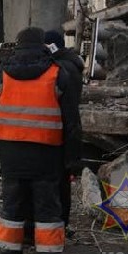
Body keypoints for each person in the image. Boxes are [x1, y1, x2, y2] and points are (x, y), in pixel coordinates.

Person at [0, 27, 82, 254]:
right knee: (47, 211)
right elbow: (71, 123)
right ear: (43, 45)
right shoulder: (58, 74)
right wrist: (72, 159)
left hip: (11, 156)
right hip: (48, 156)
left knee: (12, 209)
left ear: (17, 44)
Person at [44, 30, 84, 228]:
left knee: (57, 184)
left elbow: (66, 108)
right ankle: (61, 223)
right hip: (65, 131)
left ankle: (57, 225)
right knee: (61, 184)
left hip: (58, 133)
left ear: (51, 46)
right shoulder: (72, 65)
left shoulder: (62, 69)